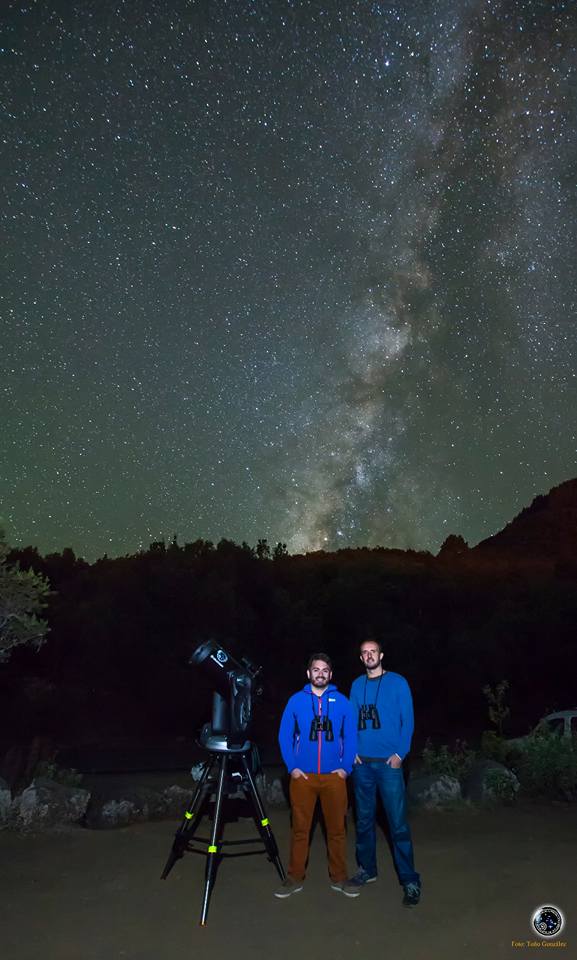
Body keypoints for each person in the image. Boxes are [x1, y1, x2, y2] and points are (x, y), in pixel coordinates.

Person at [276, 652, 359, 898]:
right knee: (301, 829)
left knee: (337, 830)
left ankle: (340, 877)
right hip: (304, 778)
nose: (320, 673)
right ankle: (294, 877)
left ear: (330, 674)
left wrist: (345, 768)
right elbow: (285, 736)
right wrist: (293, 767)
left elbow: (351, 736)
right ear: (308, 673)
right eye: (316, 669)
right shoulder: (296, 701)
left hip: (334, 777)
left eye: (324, 670)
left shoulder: (342, 701)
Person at [348, 638, 421, 906]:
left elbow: (408, 721)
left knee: (397, 824)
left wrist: (400, 754)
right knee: (364, 821)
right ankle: (367, 869)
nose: (369, 656)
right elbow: (351, 720)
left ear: (381, 654)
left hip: (389, 765)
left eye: (373, 652)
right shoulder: (356, 685)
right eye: (364, 653)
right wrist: (351, 750)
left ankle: (410, 880)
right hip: (362, 765)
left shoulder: (398, 683)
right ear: (361, 658)